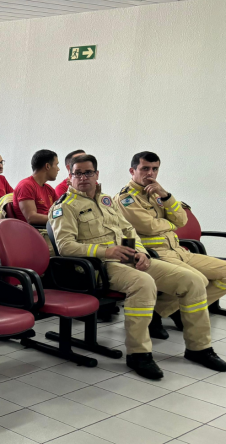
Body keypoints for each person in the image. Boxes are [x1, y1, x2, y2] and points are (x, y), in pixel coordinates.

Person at [51, 154, 226, 378]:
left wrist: (139, 252)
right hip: (98, 267)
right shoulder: (64, 207)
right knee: (143, 283)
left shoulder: (106, 201)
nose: (83, 177)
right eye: (78, 173)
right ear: (70, 175)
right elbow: (65, 246)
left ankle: (199, 348)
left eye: (88, 172)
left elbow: (127, 231)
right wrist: (106, 251)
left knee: (192, 281)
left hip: (126, 259)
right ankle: (139, 354)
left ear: (97, 174)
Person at [116, 151, 226, 342]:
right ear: (132, 171)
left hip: (178, 251)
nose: (150, 173)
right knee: (198, 280)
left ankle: (169, 309)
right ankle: (169, 312)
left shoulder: (157, 193)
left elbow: (182, 218)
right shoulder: (126, 198)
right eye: (145, 169)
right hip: (154, 255)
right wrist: (171, 224)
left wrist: (165, 195)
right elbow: (149, 227)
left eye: (155, 169)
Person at [13, 149, 59, 226]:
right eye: (56, 164)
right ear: (47, 166)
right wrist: (60, 220)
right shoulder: (26, 185)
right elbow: (31, 217)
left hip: (51, 228)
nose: (58, 169)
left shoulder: (49, 189)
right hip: (35, 232)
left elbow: (60, 211)